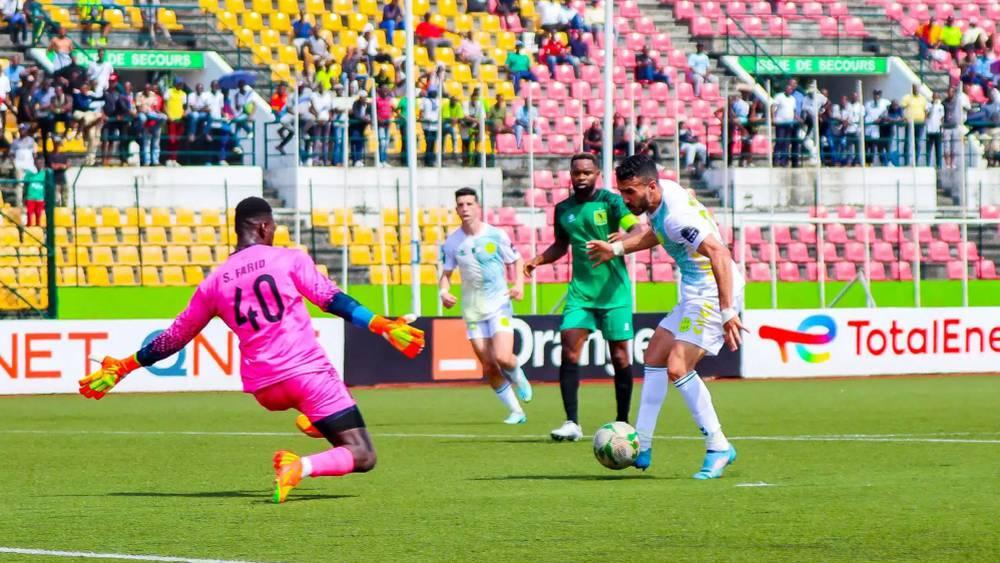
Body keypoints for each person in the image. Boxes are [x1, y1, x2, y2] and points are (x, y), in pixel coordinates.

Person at [78, 197, 425, 504]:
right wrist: (381, 324)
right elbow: (332, 300)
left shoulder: (214, 282)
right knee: (363, 454)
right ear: (264, 227)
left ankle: (316, 423)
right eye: (273, 227)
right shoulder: (289, 259)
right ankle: (299, 465)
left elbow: (174, 338)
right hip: (306, 374)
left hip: (264, 388)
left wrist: (124, 366)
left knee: (322, 413)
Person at [585, 154, 744, 479]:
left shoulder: (675, 217)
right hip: (693, 291)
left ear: (651, 186)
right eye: (622, 192)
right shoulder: (663, 200)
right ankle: (642, 444)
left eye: (630, 192)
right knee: (654, 354)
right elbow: (657, 234)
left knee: (677, 366)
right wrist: (617, 249)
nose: (625, 200)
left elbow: (719, 253)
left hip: (712, 293)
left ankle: (718, 446)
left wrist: (727, 311)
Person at [524, 153, 641, 441]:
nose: (581, 177)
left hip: (614, 292)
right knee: (569, 349)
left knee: (620, 356)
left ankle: (623, 422)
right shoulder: (563, 209)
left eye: (587, 172)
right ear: (570, 175)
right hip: (580, 294)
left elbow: (636, 228)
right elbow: (560, 246)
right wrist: (538, 259)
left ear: (597, 173)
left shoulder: (611, 201)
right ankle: (571, 423)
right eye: (576, 173)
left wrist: (623, 240)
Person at [439, 187, 531, 424]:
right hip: (472, 311)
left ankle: (518, 374)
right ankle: (516, 411)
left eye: (469, 204)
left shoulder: (496, 235)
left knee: (503, 357)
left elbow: (517, 259)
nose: (465, 208)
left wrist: (519, 285)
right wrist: (444, 292)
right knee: (488, 366)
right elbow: (446, 274)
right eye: (461, 205)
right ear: (456, 209)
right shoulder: (452, 243)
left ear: (478, 207)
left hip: (499, 304)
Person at [901, 85, 928, 165]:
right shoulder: (907, 97)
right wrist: (904, 117)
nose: (916, 90)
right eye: (915, 88)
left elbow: (926, 110)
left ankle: (915, 161)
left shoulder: (923, 99)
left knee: (918, 142)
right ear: (912, 88)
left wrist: (925, 120)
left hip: (920, 123)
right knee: (907, 141)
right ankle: (906, 161)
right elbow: (901, 108)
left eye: (917, 88)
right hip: (909, 123)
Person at [23, 155, 47, 227]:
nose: (39, 165)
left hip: (40, 198)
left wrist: (45, 198)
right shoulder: (29, 174)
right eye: (38, 163)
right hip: (30, 197)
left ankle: (38, 230)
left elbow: (46, 188)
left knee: (38, 214)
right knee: (29, 214)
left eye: (41, 163)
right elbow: (25, 185)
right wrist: (24, 197)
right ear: (34, 163)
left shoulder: (45, 174)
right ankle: (29, 228)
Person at [925, 92, 944, 167]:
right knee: (928, 148)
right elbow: (927, 115)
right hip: (930, 129)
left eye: (937, 97)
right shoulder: (928, 105)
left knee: (938, 148)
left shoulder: (941, 106)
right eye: (934, 97)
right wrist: (932, 106)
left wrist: (941, 129)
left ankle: (938, 164)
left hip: (937, 130)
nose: (935, 98)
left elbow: (942, 118)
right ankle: (927, 164)